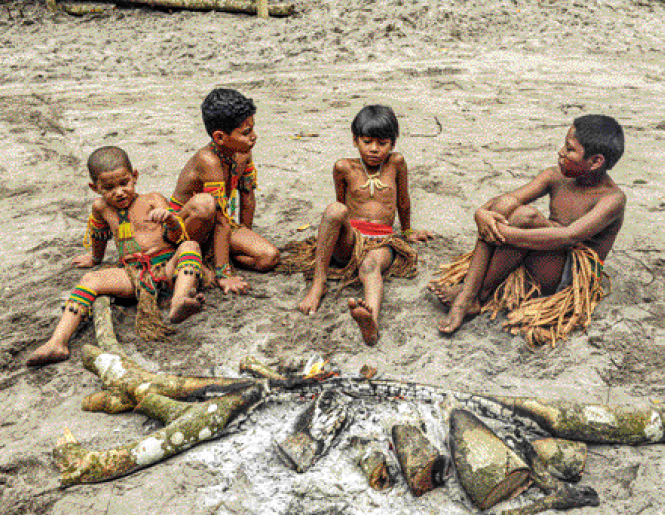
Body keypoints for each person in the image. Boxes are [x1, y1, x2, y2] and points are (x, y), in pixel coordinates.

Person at [429, 114, 626, 348]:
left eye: (570, 149)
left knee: (523, 217)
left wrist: (502, 233)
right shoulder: (555, 176)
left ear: (595, 162)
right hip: (540, 252)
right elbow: (506, 200)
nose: (561, 152)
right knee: (503, 208)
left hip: (566, 275)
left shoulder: (612, 199)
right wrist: (481, 214)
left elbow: (569, 236)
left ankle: (476, 293)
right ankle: (470, 295)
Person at [27, 146, 205, 366]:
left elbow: (177, 237)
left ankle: (179, 301)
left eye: (124, 183)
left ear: (135, 177)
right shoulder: (101, 207)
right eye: (109, 187)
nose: (119, 191)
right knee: (90, 280)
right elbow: (99, 235)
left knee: (190, 245)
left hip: (167, 267)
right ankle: (57, 342)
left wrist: (169, 220)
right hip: (133, 274)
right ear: (95, 187)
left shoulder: (152, 199)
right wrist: (95, 258)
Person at [280, 105, 432, 345]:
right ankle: (319, 283)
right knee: (335, 209)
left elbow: (403, 200)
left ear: (392, 144)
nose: (373, 149)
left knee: (370, 266)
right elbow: (341, 208)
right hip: (352, 239)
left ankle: (370, 318)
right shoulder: (344, 167)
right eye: (367, 141)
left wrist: (408, 231)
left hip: (382, 240)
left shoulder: (396, 163)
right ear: (355, 140)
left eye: (382, 143)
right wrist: (339, 238)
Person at [169, 88, 280, 295]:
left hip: (218, 226)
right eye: (246, 133)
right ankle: (198, 257)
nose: (253, 137)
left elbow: (247, 196)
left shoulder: (242, 153)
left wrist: (246, 233)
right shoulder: (208, 161)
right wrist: (224, 274)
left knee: (269, 257)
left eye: (253, 129)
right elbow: (219, 219)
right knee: (205, 205)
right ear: (220, 137)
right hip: (183, 229)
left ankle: (211, 256)